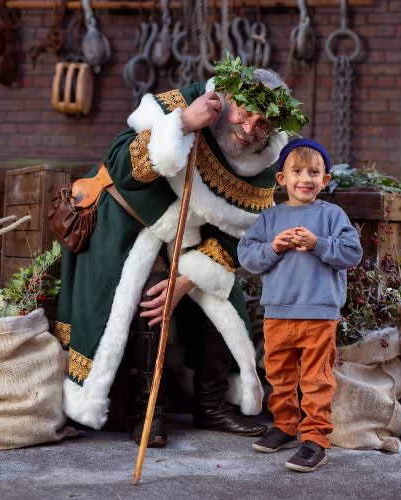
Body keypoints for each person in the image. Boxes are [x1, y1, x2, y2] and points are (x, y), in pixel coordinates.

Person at [54, 57, 307, 448]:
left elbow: (242, 233)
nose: (248, 129)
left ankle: (212, 404)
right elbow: (119, 164)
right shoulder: (185, 103)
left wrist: (190, 278)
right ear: (227, 99)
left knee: (221, 294)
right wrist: (185, 123)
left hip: (190, 240)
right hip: (128, 221)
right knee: (146, 292)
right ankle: (145, 410)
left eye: (262, 124)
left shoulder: (265, 158)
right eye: (244, 114)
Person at [237, 138, 363, 472]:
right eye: (297, 171)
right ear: (281, 179)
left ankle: (315, 440)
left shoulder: (332, 215)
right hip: (278, 313)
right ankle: (285, 426)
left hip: (319, 314)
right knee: (279, 375)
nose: (305, 178)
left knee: (316, 378)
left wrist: (318, 243)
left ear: (325, 180)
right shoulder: (269, 219)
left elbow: (352, 253)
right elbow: (247, 256)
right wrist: (273, 248)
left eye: (313, 172)